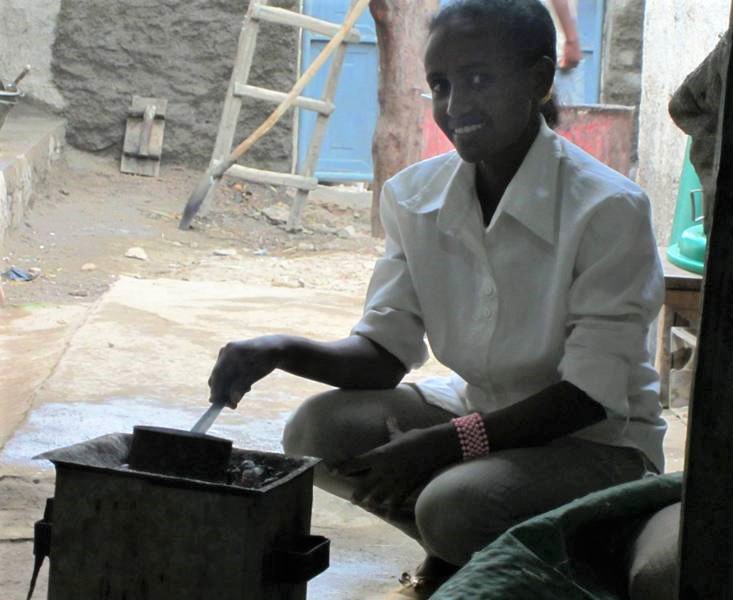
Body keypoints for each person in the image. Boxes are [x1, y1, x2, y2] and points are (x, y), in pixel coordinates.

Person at [207, 0, 665, 593]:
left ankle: (548, 555)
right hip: (478, 404)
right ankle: (469, 548)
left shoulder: (607, 210)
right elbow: (383, 353)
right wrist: (277, 349)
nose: (455, 105)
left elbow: (586, 398)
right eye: (441, 84)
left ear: (540, 78)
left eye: (479, 78)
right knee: (314, 434)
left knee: (453, 504)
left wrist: (450, 443)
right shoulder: (416, 198)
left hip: (596, 441)